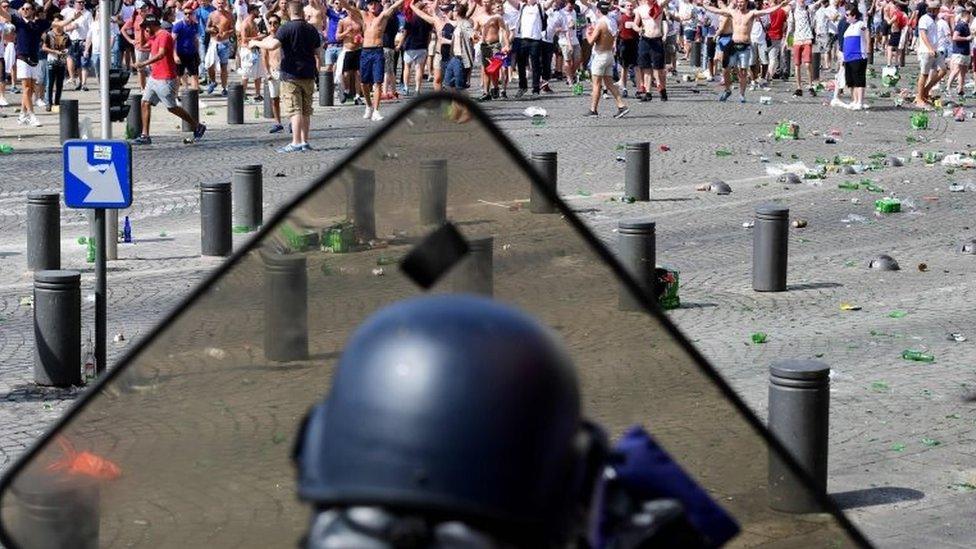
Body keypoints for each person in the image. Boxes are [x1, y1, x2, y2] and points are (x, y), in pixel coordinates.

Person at [131, 15, 206, 144]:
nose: (146, 30)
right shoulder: (154, 36)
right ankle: (145, 135)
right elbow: (142, 45)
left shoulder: (164, 36)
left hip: (165, 78)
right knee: (145, 102)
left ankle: (197, 125)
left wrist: (143, 63)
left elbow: (161, 54)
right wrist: (143, 31)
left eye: (146, 27)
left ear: (152, 25)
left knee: (171, 107)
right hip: (154, 77)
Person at [1, 0, 73, 127]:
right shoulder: (18, 21)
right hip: (22, 57)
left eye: (27, 9)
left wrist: (73, 17)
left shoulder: (40, 24)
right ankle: (32, 115)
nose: (24, 10)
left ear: (33, 11)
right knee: (27, 88)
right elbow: (3, 13)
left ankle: (22, 115)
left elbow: (60, 24)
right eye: (23, 9)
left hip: (34, 59)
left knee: (31, 89)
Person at [704, 0, 787, 102]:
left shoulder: (751, 13)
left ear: (746, 3)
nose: (740, 4)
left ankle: (742, 95)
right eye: (738, 2)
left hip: (745, 46)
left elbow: (767, 11)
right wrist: (704, 5)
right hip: (733, 44)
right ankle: (727, 90)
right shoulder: (732, 13)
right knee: (726, 70)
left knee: (743, 71)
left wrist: (780, 5)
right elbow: (717, 11)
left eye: (742, 2)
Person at [338, 0, 403, 121]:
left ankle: (376, 111)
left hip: (378, 51)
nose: (373, 6)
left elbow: (395, 6)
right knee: (364, 83)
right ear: (367, 5)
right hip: (365, 51)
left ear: (379, 4)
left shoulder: (383, 16)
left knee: (378, 82)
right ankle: (368, 106)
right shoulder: (363, 15)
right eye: (370, 3)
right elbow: (348, 7)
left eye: (375, 3)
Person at [273, 0, 321, 152]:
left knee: (295, 110)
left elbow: (273, 45)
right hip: (308, 74)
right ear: (302, 12)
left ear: (288, 11)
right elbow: (318, 53)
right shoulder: (312, 29)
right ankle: (305, 142)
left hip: (290, 75)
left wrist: (256, 42)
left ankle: (296, 142)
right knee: (306, 110)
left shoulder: (285, 28)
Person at [585, 0, 629, 117]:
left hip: (600, 55)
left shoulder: (601, 23)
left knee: (596, 84)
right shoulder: (612, 21)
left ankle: (593, 110)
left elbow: (590, 41)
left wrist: (587, 33)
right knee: (609, 83)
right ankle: (621, 105)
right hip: (609, 54)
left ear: (598, 10)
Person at [252, 12, 283, 132]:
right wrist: (267, 72)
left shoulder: (283, 38)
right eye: (270, 23)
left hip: (284, 71)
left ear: (279, 24)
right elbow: (264, 58)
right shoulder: (265, 40)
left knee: (288, 98)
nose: (273, 25)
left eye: (275, 23)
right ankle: (278, 122)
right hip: (273, 71)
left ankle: (292, 122)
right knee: (274, 98)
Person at [786, 0, 823, 97]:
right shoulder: (793, 11)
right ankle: (799, 88)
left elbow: (817, 3)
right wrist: (786, 39)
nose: (802, 1)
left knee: (807, 64)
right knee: (797, 65)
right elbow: (790, 26)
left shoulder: (808, 8)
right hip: (797, 39)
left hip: (807, 38)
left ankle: (810, 86)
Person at [475, 0, 510, 99]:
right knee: (486, 69)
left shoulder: (497, 17)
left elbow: (503, 31)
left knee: (494, 68)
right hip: (484, 45)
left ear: (491, 3)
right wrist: (475, 35)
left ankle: (495, 87)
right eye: (484, 2)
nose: (486, 4)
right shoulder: (479, 17)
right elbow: (475, 30)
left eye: (488, 2)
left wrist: (506, 44)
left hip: (495, 45)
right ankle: (486, 92)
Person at [634, 0, 668, 100]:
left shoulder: (659, 5)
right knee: (646, 67)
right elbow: (636, 24)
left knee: (659, 69)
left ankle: (662, 90)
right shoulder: (640, 9)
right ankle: (648, 93)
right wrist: (638, 29)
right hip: (645, 39)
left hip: (657, 39)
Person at [514, 0, 546, 97]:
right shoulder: (522, 6)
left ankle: (536, 89)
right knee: (521, 64)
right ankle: (522, 86)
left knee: (535, 65)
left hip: (536, 39)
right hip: (523, 38)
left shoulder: (540, 6)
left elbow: (550, 3)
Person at [400, 0, 432, 96]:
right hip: (422, 46)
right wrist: (427, 44)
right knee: (419, 69)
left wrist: (400, 44)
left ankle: (406, 88)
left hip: (410, 46)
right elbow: (430, 35)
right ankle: (417, 89)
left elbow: (404, 34)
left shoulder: (409, 19)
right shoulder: (427, 20)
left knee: (407, 67)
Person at [916, 0, 944, 107]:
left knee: (943, 70)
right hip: (926, 50)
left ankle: (925, 90)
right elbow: (923, 35)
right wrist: (930, 48)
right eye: (938, 9)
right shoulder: (924, 19)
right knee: (924, 74)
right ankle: (919, 98)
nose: (939, 10)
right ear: (933, 9)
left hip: (936, 49)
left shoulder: (936, 19)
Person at [840, 5, 868, 108]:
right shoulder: (848, 28)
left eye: (848, 15)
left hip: (858, 56)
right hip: (848, 58)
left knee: (859, 80)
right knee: (850, 81)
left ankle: (860, 101)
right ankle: (854, 100)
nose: (846, 17)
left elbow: (866, 31)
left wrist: (867, 49)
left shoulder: (860, 24)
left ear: (854, 16)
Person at [122, 0, 153, 90]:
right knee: (141, 68)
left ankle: (151, 87)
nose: (145, 10)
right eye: (142, 9)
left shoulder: (151, 18)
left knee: (152, 68)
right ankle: (142, 88)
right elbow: (123, 30)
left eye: (146, 8)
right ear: (138, 10)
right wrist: (131, 40)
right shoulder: (134, 18)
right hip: (139, 47)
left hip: (150, 46)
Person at [335, 0, 363, 102]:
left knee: (358, 73)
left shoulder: (359, 21)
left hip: (358, 49)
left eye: (352, 9)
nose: (350, 12)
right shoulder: (343, 21)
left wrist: (361, 39)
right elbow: (337, 37)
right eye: (348, 10)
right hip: (347, 50)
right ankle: (346, 90)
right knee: (346, 74)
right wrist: (346, 32)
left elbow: (364, 35)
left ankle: (357, 96)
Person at [61, 0, 92, 90]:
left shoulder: (87, 14)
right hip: (72, 40)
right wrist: (72, 27)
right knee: (77, 63)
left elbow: (91, 29)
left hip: (83, 41)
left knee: (84, 63)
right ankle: (79, 82)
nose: (81, 4)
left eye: (83, 2)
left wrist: (88, 41)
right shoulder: (70, 13)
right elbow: (63, 28)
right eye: (79, 2)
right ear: (74, 3)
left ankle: (84, 84)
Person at [41, 13, 69, 112]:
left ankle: (57, 102)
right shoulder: (48, 34)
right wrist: (54, 51)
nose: (57, 24)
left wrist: (65, 52)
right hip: (51, 61)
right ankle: (49, 103)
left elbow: (68, 47)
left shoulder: (66, 36)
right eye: (56, 22)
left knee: (60, 84)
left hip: (61, 62)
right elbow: (44, 47)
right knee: (50, 83)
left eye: (59, 22)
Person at [237, 3, 265, 100]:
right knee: (246, 73)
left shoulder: (254, 22)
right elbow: (244, 39)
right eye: (257, 10)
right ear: (253, 11)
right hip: (247, 51)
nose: (259, 12)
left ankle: (257, 94)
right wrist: (258, 37)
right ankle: (242, 94)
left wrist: (260, 37)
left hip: (255, 50)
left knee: (258, 73)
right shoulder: (245, 23)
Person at [205, 0, 234, 95]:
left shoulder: (229, 15)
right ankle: (213, 81)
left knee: (223, 66)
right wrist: (212, 30)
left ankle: (224, 88)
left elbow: (233, 29)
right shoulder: (212, 15)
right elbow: (207, 28)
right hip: (213, 42)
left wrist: (226, 33)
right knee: (209, 65)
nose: (220, 5)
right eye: (219, 3)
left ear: (225, 4)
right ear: (216, 4)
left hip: (224, 43)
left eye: (222, 3)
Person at [172, 5, 200, 91]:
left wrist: (197, 53)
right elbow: (172, 41)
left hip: (191, 53)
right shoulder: (178, 25)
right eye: (186, 13)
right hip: (180, 53)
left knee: (194, 74)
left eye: (190, 13)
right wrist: (175, 55)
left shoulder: (195, 25)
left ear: (193, 14)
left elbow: (196, 40)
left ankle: (194, 96)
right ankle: (175, 97)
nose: (188, 15)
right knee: (178, 76)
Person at [946, 6, 970, 97]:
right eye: (969, 16)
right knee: (956, 70)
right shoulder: (960, 25)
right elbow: (955, 37)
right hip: (959, 51)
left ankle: (960, 88)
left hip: (965, 51)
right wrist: (967, 38)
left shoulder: (966, 25)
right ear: (966, 16)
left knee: (963, 71)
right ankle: (948, 87)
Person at [617, 1, 638, 97]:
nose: (630, 7)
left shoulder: (637, 17)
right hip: (624, 43)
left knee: (637, 67)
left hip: (634, 42)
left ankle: (639, 88)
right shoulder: (621, 18)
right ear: (625, 7)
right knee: (624, 67)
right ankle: (624, 88)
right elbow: (617, 32)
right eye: (628, 6)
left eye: (631, 6)